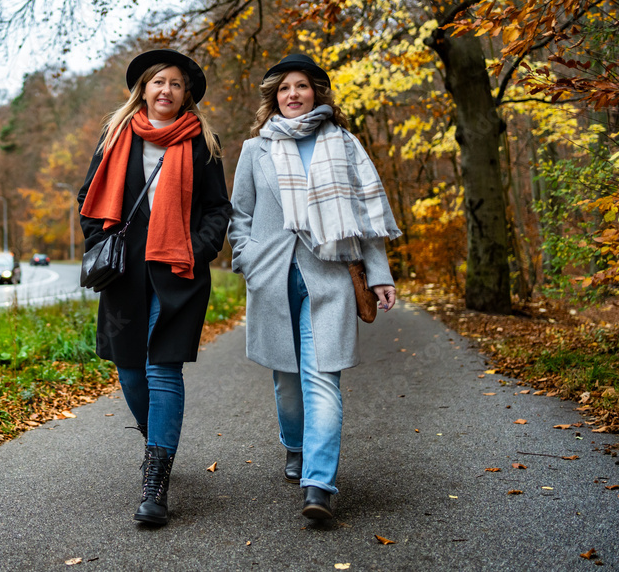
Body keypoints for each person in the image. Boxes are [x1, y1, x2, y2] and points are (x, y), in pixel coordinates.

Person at [227, 53, 401, 521]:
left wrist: (379, 273)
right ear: (274, 97)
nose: (293, 94)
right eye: (284, 88)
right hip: (272, 277)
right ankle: (295, 445)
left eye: (301, 86)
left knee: (323, 377)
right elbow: (239, 214)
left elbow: (367, 217)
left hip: (331, 275)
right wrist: (246, 258)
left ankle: (318, 484)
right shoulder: (254, 149)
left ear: (316, 93)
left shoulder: (344, 144)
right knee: (287, 383)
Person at [77, 49, 231, 526]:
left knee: (163, 371)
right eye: (158, 81)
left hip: (178, 274)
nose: (166, 90)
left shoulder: (202, 142)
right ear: (143, 88)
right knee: (130, 374)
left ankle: (156, 484)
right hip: (124, 276)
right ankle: (154, 439)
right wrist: (103, 241)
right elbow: (88, 197)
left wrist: (195, 249)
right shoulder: (115, 136)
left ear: (187, 96)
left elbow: (217, 210)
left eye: (176, 84)